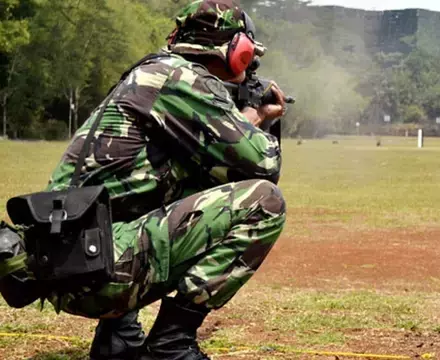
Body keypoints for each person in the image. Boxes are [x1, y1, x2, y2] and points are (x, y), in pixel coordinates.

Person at [0, 0, 288, 359]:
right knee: (265, 202)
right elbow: (262, 164)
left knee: (185, 182)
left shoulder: (151, 74)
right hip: (98, 273)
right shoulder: (183, 80)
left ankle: (118, 335)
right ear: (236, 50)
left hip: (67, 266)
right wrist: (260, 118)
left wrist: (242, 118)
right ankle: (172, 343)